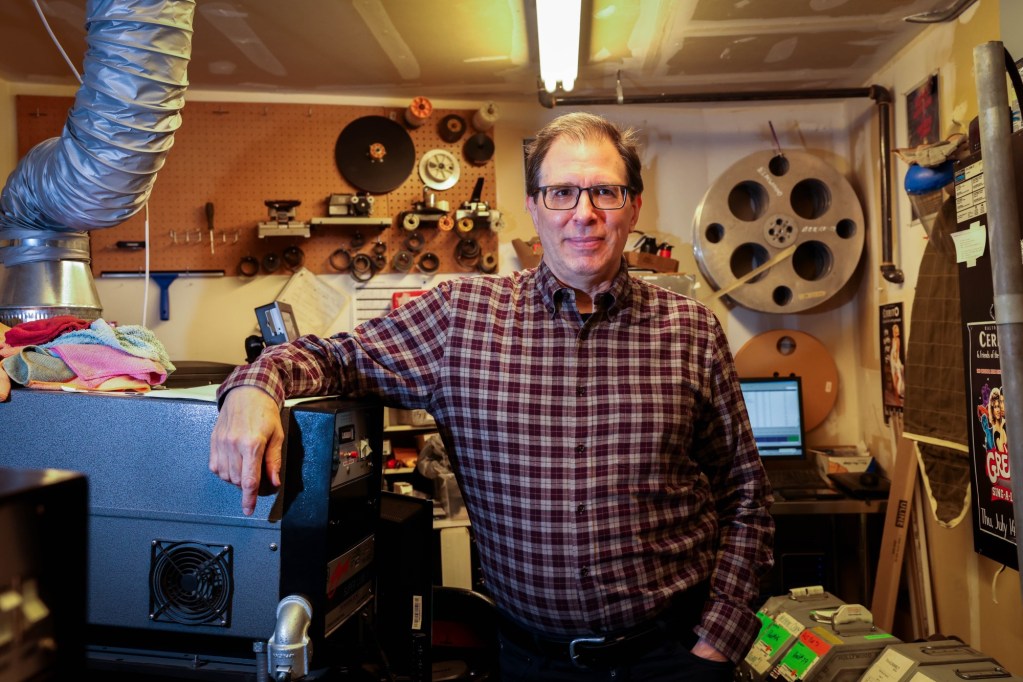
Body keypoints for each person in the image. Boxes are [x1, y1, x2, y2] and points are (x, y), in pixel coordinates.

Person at [210, 111, 774, 681]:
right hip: (532, 663)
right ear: (533, 207)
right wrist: (256, 385)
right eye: (561, 192)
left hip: (672, 656)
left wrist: (717, 642)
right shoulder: (461, 318)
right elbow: (337, 356)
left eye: (605, 191)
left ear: (633, 207)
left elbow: (746, 497)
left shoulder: (691, 330)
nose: (584, 213)